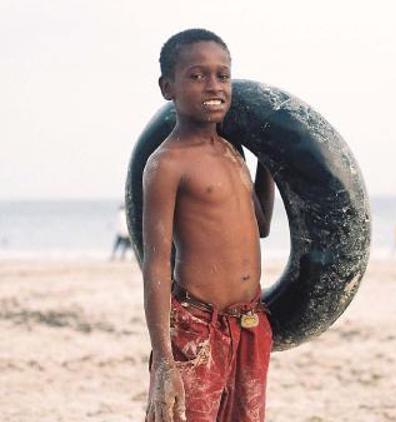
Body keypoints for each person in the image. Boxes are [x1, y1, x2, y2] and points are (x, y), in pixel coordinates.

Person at [142, 29, 276, 422]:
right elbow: (156, 262)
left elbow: (261, 225)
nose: (213, 85)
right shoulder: (168, 164)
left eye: (223, 75)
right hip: (196, 327)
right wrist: (164, 362)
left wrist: (268, 161)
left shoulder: (234, 152)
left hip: (249, 322)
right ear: (169, 87)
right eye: (197, 75)